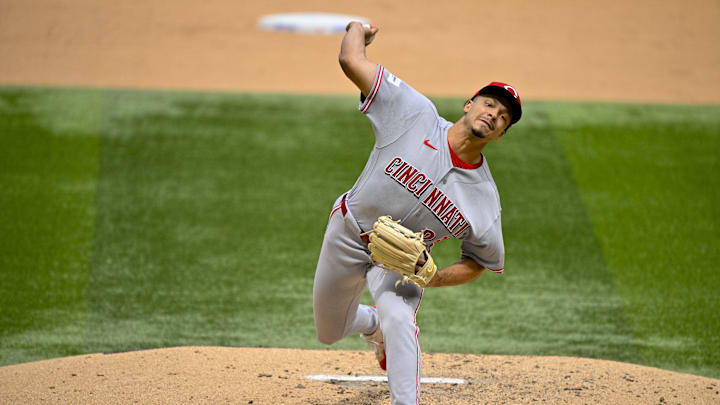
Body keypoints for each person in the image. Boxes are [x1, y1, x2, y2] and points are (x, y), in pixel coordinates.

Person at [312, 22, 522, 405]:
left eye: (503, 116)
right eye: (489, 103)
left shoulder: (484, 198)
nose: (494, 114)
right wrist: (357, 29)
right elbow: (349, 59)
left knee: (401, 320)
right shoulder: (413, 113)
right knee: (329, 330)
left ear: (500, 135)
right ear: (469, 104)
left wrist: (434, 277)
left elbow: (480, 261)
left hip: (400, 264)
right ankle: (371, 325)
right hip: (348, 231)